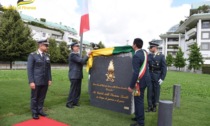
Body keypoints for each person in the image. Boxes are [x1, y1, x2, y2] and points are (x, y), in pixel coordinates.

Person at [27, 39, 52, 119]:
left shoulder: (47, 56)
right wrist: (31, 81)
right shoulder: (33, 55)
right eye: (45, 45)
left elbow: (48, 69)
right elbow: (29, 69)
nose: (47, 47)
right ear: (40, 45)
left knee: (42, 97)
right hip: (36, 80)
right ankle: (34, 112)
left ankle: (40, 110)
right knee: (34, 97)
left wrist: (50, 79)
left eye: (47, 45)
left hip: (45, 80)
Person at [128, 38, 150, 126]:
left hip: (140, 82)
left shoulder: (136, 56)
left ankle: (140, 122)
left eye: (133, 44)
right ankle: (137, 116)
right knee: (138, 99)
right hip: (145, 80)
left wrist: (131, 86)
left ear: (135, 45)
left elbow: (136, 72)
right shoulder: (144, 52)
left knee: (139, 101)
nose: (132, 45)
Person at [66, 42, 90, 108]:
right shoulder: (72, 55)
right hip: (73, 75)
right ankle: (69, 103)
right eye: (76, 46)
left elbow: (82, 61)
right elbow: (81, 61)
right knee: (73, 90)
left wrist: (86, 58)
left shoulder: (78, 55)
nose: (78, 47)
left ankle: (75, 102)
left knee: (78, 90)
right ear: (73, 48)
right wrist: (87, 55)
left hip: (78, 74)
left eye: (78, 46)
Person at [146, 41, 167, 112]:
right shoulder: (149, 56)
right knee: (149, 91)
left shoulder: (161, 56)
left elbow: (164, 68)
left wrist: (162, 78)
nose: (149, 49)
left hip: (157, 76)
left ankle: (154, 106)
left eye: (151, 47)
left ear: (155, 48)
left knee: (156, 91)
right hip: (150, 76)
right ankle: (149, 106)